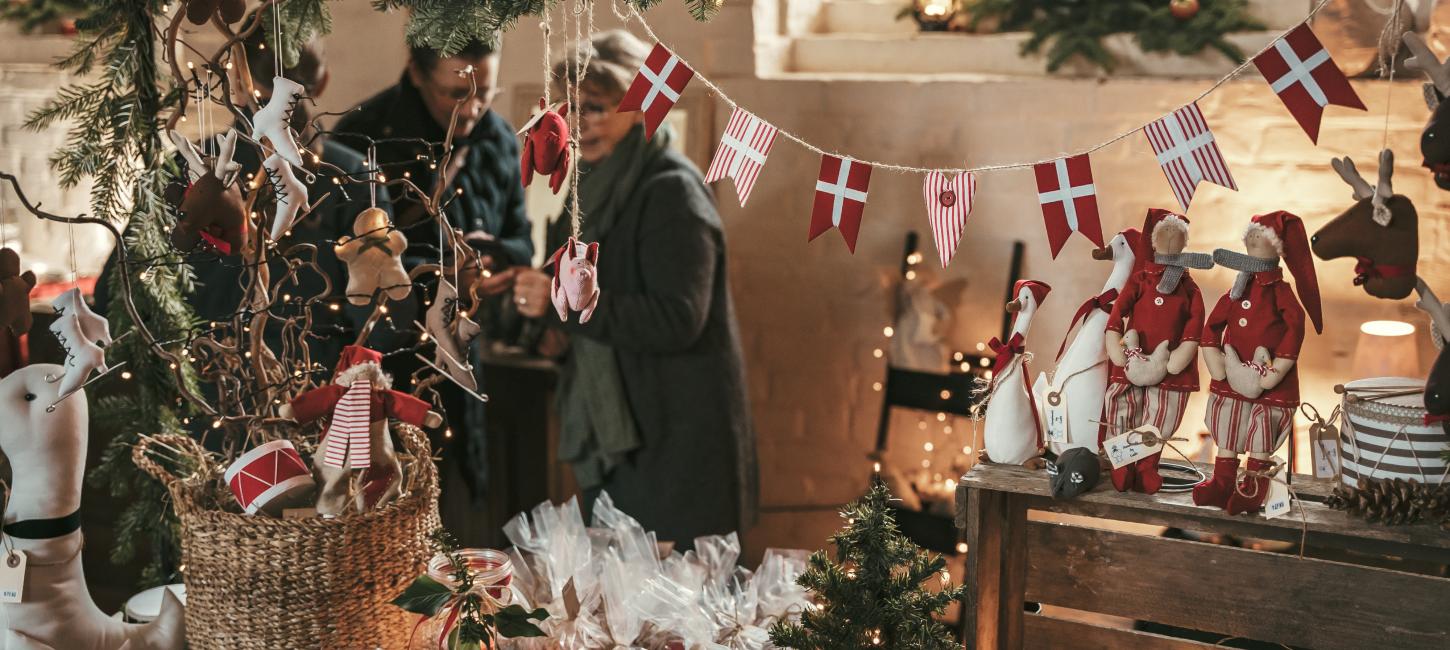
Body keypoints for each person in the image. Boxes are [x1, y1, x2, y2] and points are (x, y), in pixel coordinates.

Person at [513, 30, 758, 545]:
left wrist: (565, 306)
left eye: (596, 108)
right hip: (618, 435)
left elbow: (677, 320)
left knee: (675, 593)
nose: (578, 123)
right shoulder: (586, 186)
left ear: (640, 107)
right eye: (569, 108)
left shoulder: (671, 190)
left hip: (676, 443)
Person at [96, 21, 373, 380]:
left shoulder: (186, 166)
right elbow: (373, 320)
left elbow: (115, 296)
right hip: (312, 392)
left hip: (199, 390)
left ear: (235, 82)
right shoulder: (353, 178)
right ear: (321, 83)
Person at [333, 36, 533, 504]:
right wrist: (438, 277)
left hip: (465, 370)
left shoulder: (499, 138)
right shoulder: (363, 138)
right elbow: (345, 277)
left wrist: (496, 261)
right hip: (386, 373)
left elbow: (520, 237)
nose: (474, 109)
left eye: (487, 93)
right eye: (457, 94)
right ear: (417, 72)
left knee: (460, 513)